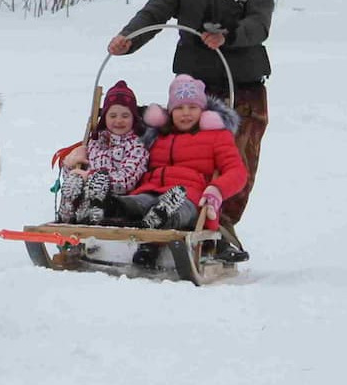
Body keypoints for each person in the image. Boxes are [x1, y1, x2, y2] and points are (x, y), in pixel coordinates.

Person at [106, 0, 272, 258]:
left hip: (242, 86)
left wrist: (231, 37)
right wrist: (128, 38)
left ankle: (220, 230)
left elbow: (260, 22)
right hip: (193, 89)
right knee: (187, 160)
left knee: (236, 163)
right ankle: (172, 220)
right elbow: (155, 12)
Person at [106, 76, 247, 259]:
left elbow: (237, 171)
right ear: (170, 111)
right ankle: (117, 207)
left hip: (190, 195)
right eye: (179, 108)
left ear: (203, 111)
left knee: (179, 208)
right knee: (139, 203)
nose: (185, 113)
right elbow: (117, 137)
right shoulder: (157, 135)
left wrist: (217, 190)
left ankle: (164, 217)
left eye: (192, 107)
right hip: (151, 190)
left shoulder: (217, 136)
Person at [51, 81, 150, 224]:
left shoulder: (136, 146)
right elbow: (78, 173)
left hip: (114, 199)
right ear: (105, 118)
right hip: (86, 191)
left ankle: (91, 211)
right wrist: (70, 166)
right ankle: (70, 210)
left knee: (97, 184)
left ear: (133, 118)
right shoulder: (95, 142)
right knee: (75, 180)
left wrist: (92, 177)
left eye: (125, 116)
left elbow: (127, 181)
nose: (119, 120)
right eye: (113, 115)